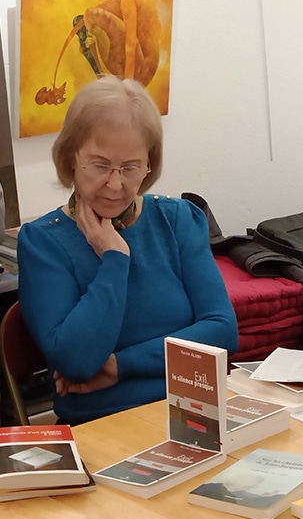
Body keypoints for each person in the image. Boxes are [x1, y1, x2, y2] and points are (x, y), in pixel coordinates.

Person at [17, 75, 238, 426]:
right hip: (102, 426)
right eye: (100, 165)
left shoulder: (178, 220)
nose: (116, 184)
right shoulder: (43, 242)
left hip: (194, 411)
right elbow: (76, 361)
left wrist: (122, 366)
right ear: (71, 157)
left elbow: (222, 332)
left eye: (131, 167)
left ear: (150, 163)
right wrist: (115, 259)